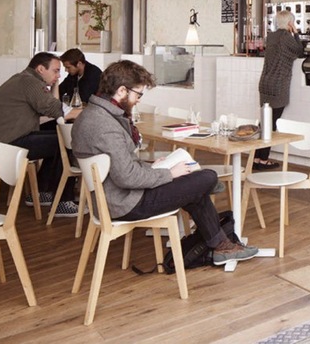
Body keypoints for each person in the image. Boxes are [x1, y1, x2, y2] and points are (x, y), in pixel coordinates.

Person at [71, 60, 257, 264]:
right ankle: (221, 242)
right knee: (207, 177)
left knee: (196, 184)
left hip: (115, 198)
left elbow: (120, 164)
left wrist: (152, 167)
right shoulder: (106, 126)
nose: (138, 100)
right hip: (126, 203)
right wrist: (169, 173)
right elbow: (127, 177)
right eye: (138, 95)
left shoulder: (91, 115)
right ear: (122, 90)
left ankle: (221, 245)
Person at [0, 52, 83, 216]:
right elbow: (57, 110)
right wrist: (92, 113)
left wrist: (55, 85)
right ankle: (63, 202)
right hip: (7, 145)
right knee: (66, 140)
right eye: (56, 71)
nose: (59, 75)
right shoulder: (29, 82)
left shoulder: (23, 78)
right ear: (41, 69)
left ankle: (43, 192)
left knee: (57, 135)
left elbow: (53, 107)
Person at [255, 10, 305, 170]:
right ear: (290, 23)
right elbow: (299, 51)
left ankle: (256, 158)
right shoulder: (286, 37)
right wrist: (295, 32)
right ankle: (263, 160)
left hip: (265, 83)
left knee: (264, 123)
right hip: (277, 85)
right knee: (270, 124)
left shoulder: (271, 36)